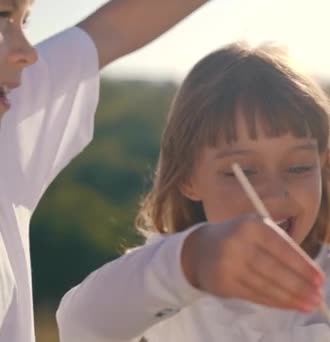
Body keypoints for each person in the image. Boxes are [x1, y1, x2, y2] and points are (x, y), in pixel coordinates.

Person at [56, 42, 330, 341]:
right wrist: (191, 265)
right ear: (188, 177)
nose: (274, 195)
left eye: (299, 167)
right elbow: (79, 326)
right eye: (243, 172)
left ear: (323, 166)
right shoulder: (170, 268)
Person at [0, 0, 214, 340]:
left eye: (24, 22)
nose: (27, 52)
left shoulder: (9, 117)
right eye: (1, 17)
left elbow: (115, 29)